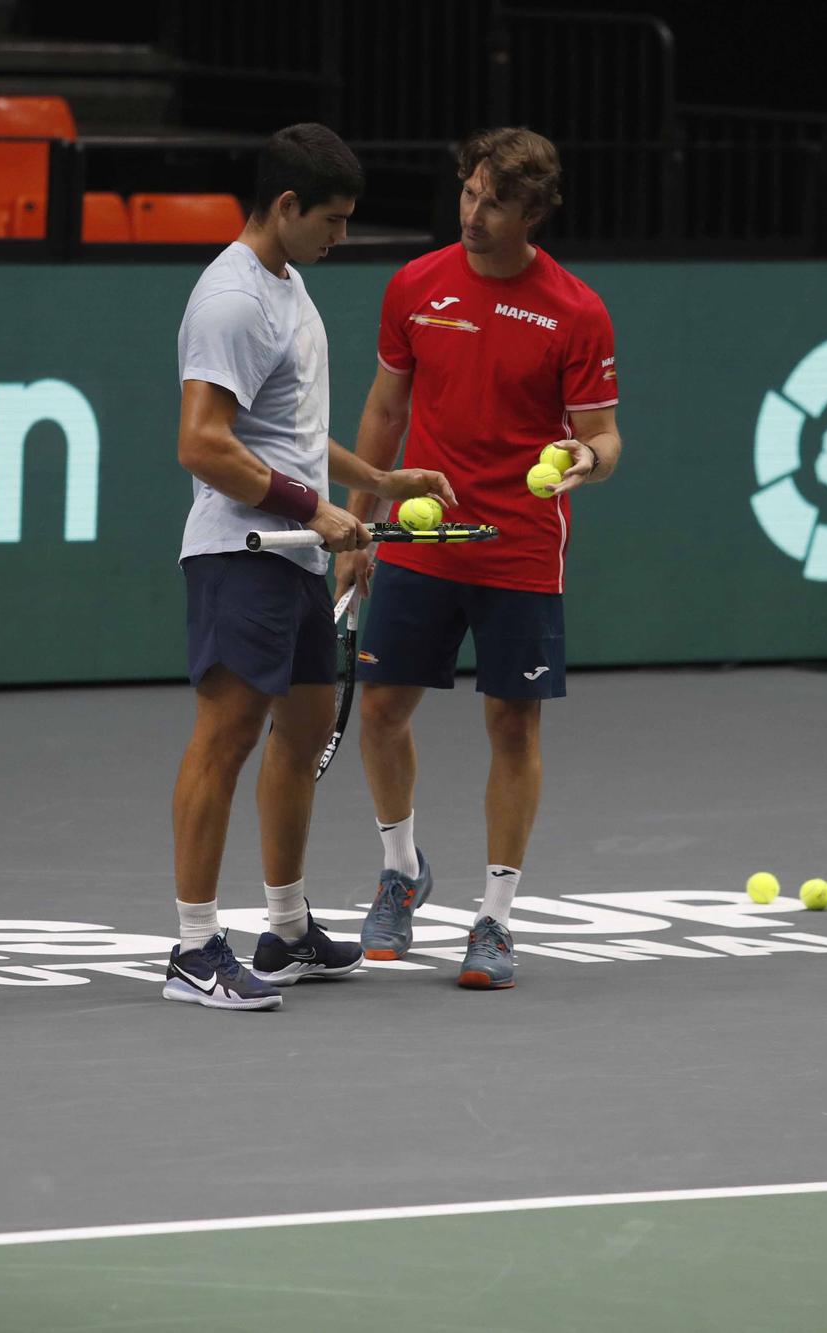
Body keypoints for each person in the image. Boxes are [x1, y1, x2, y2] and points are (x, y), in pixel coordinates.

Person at [166, 123, 457, 1011]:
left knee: (297, 739)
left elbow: (284, 429)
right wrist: (315, 510)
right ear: (285, 206)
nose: (340, 237)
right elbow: (202, 443)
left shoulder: (287, 290)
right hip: (243, 553)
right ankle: (191, 948)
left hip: (291, 555)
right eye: (331, 220)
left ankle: (286, 928)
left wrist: (372, 479)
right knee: (225, 739)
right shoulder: (231, 300)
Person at [337, 127, 623, 990]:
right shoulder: (415, 286)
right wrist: (359, 526)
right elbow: (386, 413)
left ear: (532, 212)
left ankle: (494, 919)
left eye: (495, 200)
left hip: (520, 548)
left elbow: (603, 437)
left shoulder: (576, 310)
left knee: (513, 724)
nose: (474, 212)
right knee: (383, 707)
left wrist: (584, 461)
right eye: (468, 192)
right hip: (423, 535)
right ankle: (400, 870)